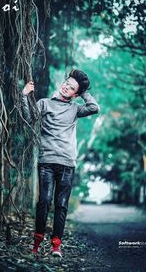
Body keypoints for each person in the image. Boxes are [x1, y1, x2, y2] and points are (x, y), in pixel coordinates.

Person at [22, 69, 100, 257]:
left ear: (76, 94)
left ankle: (56, 245)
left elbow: (94, 107)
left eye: (72, 88)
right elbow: (29, 117)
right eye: (67, 83)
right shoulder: (44, 103)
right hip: (47, 161)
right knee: (44, 201)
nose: (66, 87)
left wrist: (84, 92)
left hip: (67, 163)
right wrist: (24, 96)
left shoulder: (75, 109)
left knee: (61, 204)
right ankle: (37, 243)